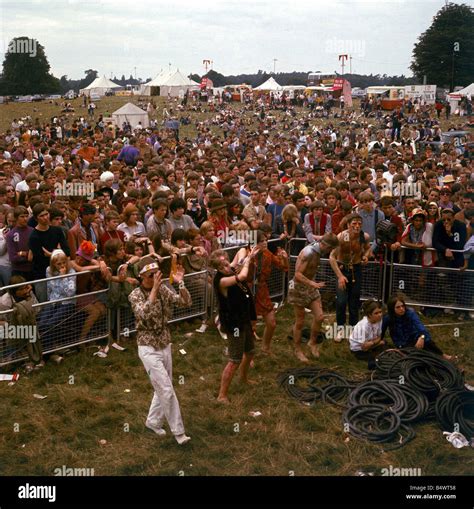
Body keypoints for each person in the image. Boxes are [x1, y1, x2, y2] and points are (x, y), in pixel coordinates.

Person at [128, 260, 192, 445]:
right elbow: (144, 314)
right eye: (151, 275)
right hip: (147, 346)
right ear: (141, 276)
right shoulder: (135, 295)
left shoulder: (163, 288)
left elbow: (185, 302)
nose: (156, 278)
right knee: (166, 388)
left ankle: (153, 421)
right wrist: (155, 289)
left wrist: (181, 283)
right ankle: (179, 432)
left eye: (157, 274)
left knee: (163, 385)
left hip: (164, 342)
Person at [210, 247, 260, 403]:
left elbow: (240, 252)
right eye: (222, 266)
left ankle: (243, 379)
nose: (227, 268)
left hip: (243, 319)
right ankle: (222, 395)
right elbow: (243, 275)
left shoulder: (229, 270)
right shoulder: (221, 280)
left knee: (250, 352)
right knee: (234, 360)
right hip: (234, 324)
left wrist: (247, 256)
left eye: (226, 264)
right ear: (217, 268)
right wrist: (248, 262)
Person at [288, 232, 339, 362]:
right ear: (324, 245)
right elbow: (298, 274)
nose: (330, 252)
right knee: (300, 321)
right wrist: (312, 283)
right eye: (330, 249)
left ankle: (312, 342)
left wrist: (312, 284)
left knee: (320, 317)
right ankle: (298, 349)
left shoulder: (319, 251)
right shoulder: (308, 253)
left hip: (311, 287)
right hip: (298, 287)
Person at [329, 213, 371, 342]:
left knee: (354, 302)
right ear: (348, 225)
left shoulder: (364, 237)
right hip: (342, 269)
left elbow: (368, 249)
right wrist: (340, 276)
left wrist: (366, 256)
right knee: (341, 302)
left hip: (356, 270)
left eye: (359, 224)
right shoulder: (342, 237)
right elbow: (332, 257)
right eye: (354, 224)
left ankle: (353, 329)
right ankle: (340, 329)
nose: (357, 226)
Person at [382, 294, 452, 360]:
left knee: (427, 341)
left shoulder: (410, 313)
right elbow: (381, 332)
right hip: (402, 343)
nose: (402, 309)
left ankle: (442, 355)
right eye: (398, 307)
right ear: (392, 309)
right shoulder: (387, 318)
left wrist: (422, 337)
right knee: (415, 355)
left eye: (403, 306)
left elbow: (420, 327)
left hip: (414, 337)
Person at [349, 300, 386, 370]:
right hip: (359, 349)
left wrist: (373, 343)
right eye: (376, 313)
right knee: (376, 360)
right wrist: (376, 342)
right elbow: (364, 347)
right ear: (369, 315)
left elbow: (380, 337)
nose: (380, 315)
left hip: (371, 343)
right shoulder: (363, 326)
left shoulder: (379, 320)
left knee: (386, 347)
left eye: (380, 312)